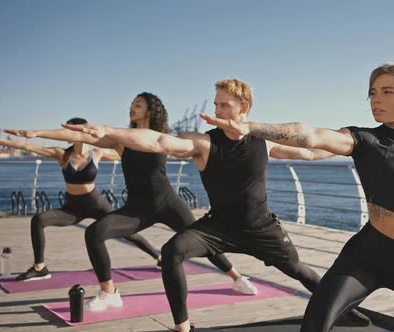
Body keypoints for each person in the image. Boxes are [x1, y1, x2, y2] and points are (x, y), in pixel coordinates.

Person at [202, 64, 394, 332]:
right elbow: (310, 135)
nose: (376, 99)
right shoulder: (365, 139)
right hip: (367, 256)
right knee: (315, 323)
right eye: (373, 92)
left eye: (387, 92)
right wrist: (251, 128)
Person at [61, 79, 368, 332]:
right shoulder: (205, 142)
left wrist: (355, 148)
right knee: (172, 252)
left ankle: (344, 310)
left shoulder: (264, 141)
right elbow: (160, 142)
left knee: (300, 270)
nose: (216, 110)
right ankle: (184, 328)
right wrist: (111, 131)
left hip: (261, 228)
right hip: (217, 227)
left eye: (224, 105)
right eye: (216, 104)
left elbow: (310, 153)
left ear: (243, 108)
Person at [4, 93, 255, 312]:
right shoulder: (120, 140)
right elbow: (79, 135)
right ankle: (109, 293)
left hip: (168, 203)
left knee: (205, 242)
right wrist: (37, 133)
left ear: (151, 109)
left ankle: (236, 277)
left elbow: (203, 149)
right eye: (132, 104)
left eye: (138, 104)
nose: (132, 107)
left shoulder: (162, 136)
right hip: (137, 208)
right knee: (94, 233)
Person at [0, 118, 161, 281]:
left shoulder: (97, 153)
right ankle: (40, 268)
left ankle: (159, 257)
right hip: (72, 207)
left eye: (71, 131)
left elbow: (125, 155)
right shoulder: (62, 154)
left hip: (96, 204)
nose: (66, 135)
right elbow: (28, 146)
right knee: (38, 220)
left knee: (126, 230)